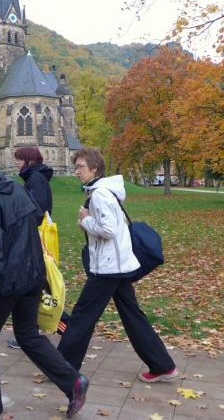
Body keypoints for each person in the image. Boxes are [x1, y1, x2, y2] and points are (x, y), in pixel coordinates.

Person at [0, 143, 88, 417]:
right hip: (31, 276)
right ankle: (73, 381)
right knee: (28, 335)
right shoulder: (16, 189)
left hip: (6, 281)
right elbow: (35, 222)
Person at [57, 147, 178, 383]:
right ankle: (163, 366)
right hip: (117, 265)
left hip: (108, 267)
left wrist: (86, 221)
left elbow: (109, 230)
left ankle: (62, 369)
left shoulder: (100, 194)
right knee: (132, 316)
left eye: (81, 167)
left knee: (82, 316)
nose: (76, 171)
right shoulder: (104, 191)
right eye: (76, 167)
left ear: (95, 168)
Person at [7, 147, 68, 350]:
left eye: (19, 159)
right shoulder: (34, 177)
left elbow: (38, 211)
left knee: (39, 287)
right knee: (35, 287)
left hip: (35, 239)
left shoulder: (35, 179)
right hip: (33, 238)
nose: (16, 163)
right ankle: (29, 333)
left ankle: (66, 328)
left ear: (28, 160)